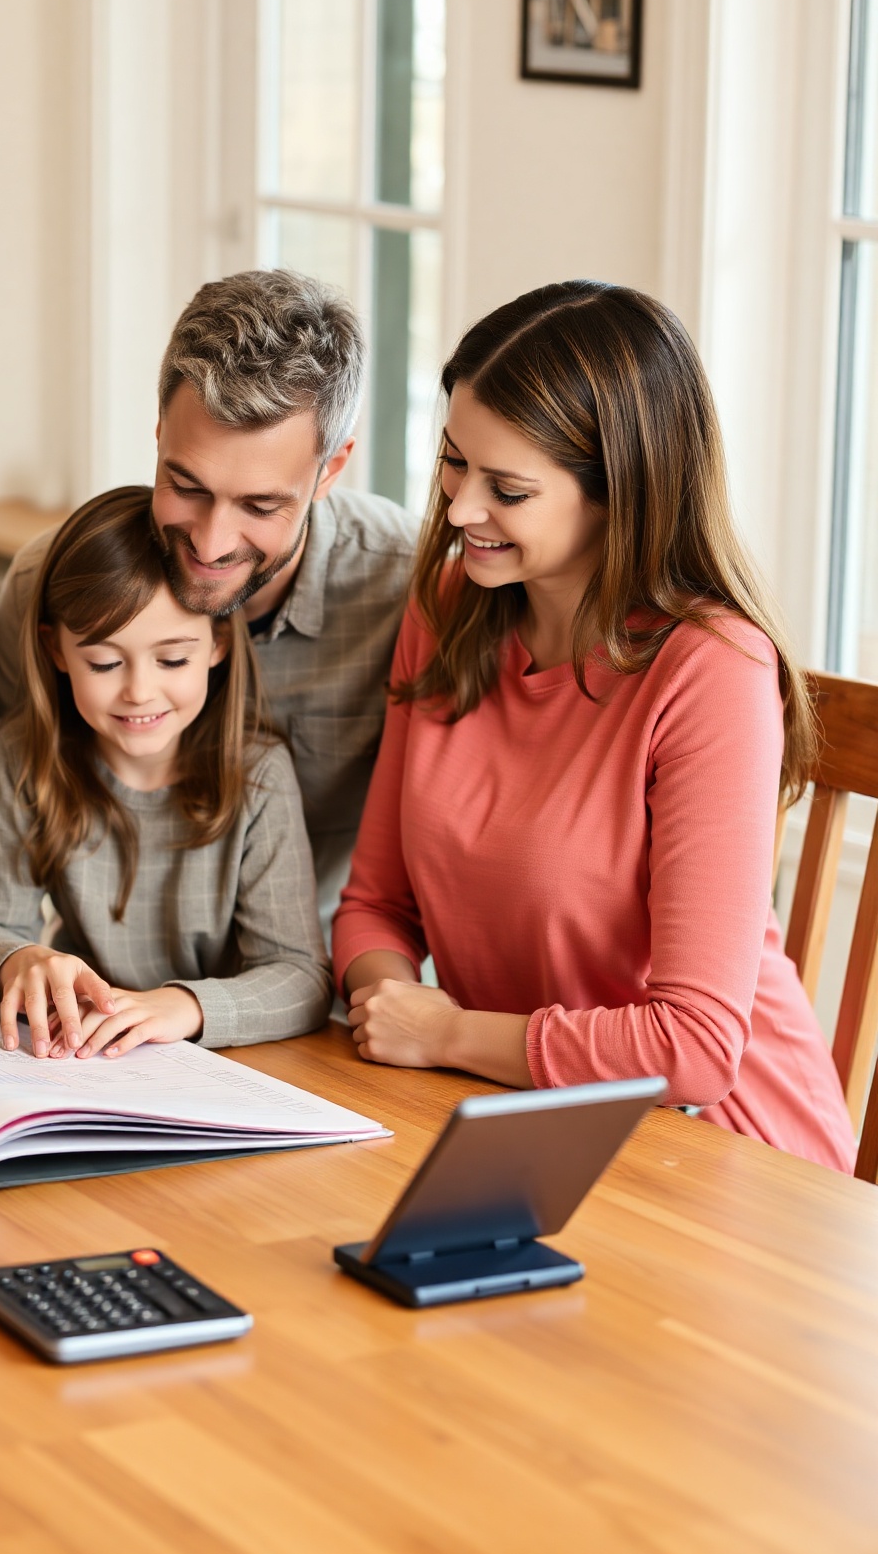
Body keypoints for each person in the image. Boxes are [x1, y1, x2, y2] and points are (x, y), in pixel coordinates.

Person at [335, 282, 855, 1172]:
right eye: (454, 462)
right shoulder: (452, 604)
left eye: (508, 488)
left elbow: (693, 1048)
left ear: (621, 493)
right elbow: (377, 904)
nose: (460, 510)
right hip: (518, 1123)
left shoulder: (711, 669)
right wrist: (392, 1012)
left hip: (724, 1159)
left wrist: (448, 1033)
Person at [0, 270, 417, 934]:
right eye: (186, 486)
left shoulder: (407, 592)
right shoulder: (46, 587)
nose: (211, 543)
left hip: (321, 988)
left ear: (330, 470)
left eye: (259, 505)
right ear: (160, 434)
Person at [0, 487, 328, 1059]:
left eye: (172, 659)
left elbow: (301, 978)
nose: (138, 691)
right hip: (84, 1053)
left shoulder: (259, 776)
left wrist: (184, 1006)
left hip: (228, 1061)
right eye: (103, 662)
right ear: (56, 651)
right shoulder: (24, 757)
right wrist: (19, 961)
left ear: (219, 641)